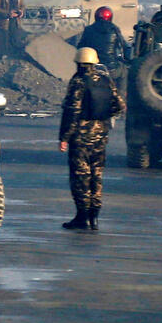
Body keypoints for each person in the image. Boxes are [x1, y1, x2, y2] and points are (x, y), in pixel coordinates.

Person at [59, 47, 125, 231]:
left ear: (79, 63)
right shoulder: (105, 80)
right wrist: (103, 117)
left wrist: (64, 137)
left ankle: (81, 217)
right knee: (97, 176)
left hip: (80, 137)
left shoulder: (78, 81)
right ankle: (94, 217)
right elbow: (119, 105)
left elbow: (72, 111)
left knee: (80, 177)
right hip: (100, 136)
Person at [78, 6, 128, 86]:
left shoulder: (88, 29)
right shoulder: (114, 30)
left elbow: (80, 47)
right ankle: (121, 96)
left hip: (92, 68)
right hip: (111, 69)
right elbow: (123, 46)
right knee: (124, 71)